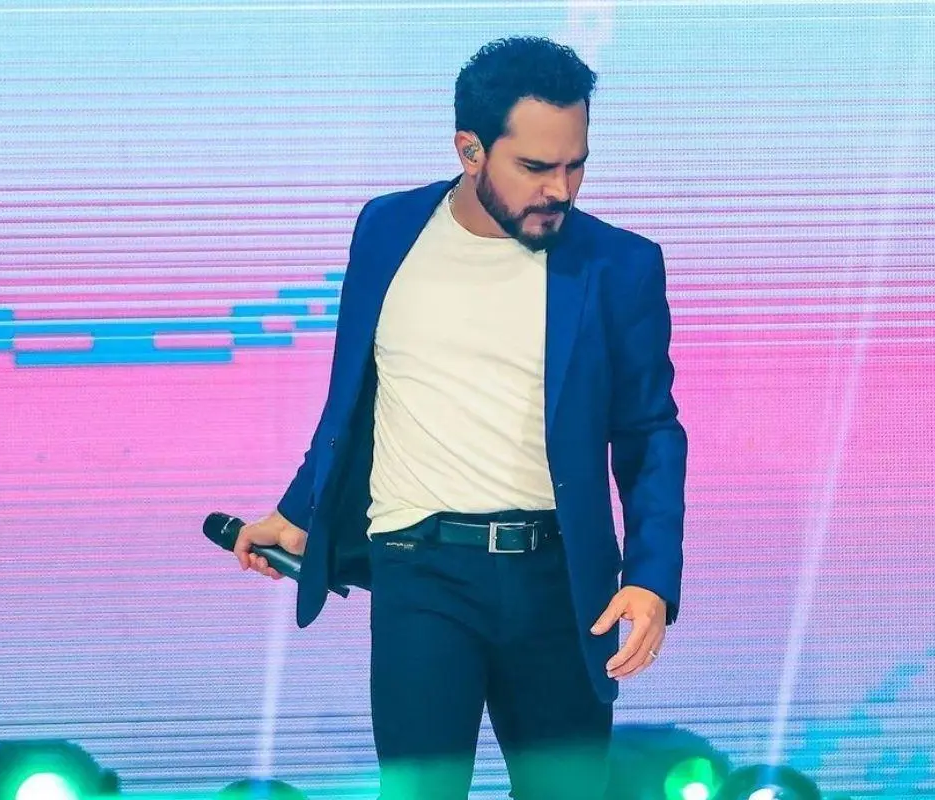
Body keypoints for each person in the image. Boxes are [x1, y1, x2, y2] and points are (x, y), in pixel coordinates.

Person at [234, 36, 687, 800]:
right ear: (470, 150)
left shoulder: (619, 265)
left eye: (575, 165)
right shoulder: (386, 230)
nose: (560, 189)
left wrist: (650, 579)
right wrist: (298, 510)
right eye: (535, 167)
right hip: (420, 572)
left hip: (558, 580)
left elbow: (650, 432)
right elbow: (357, 397)